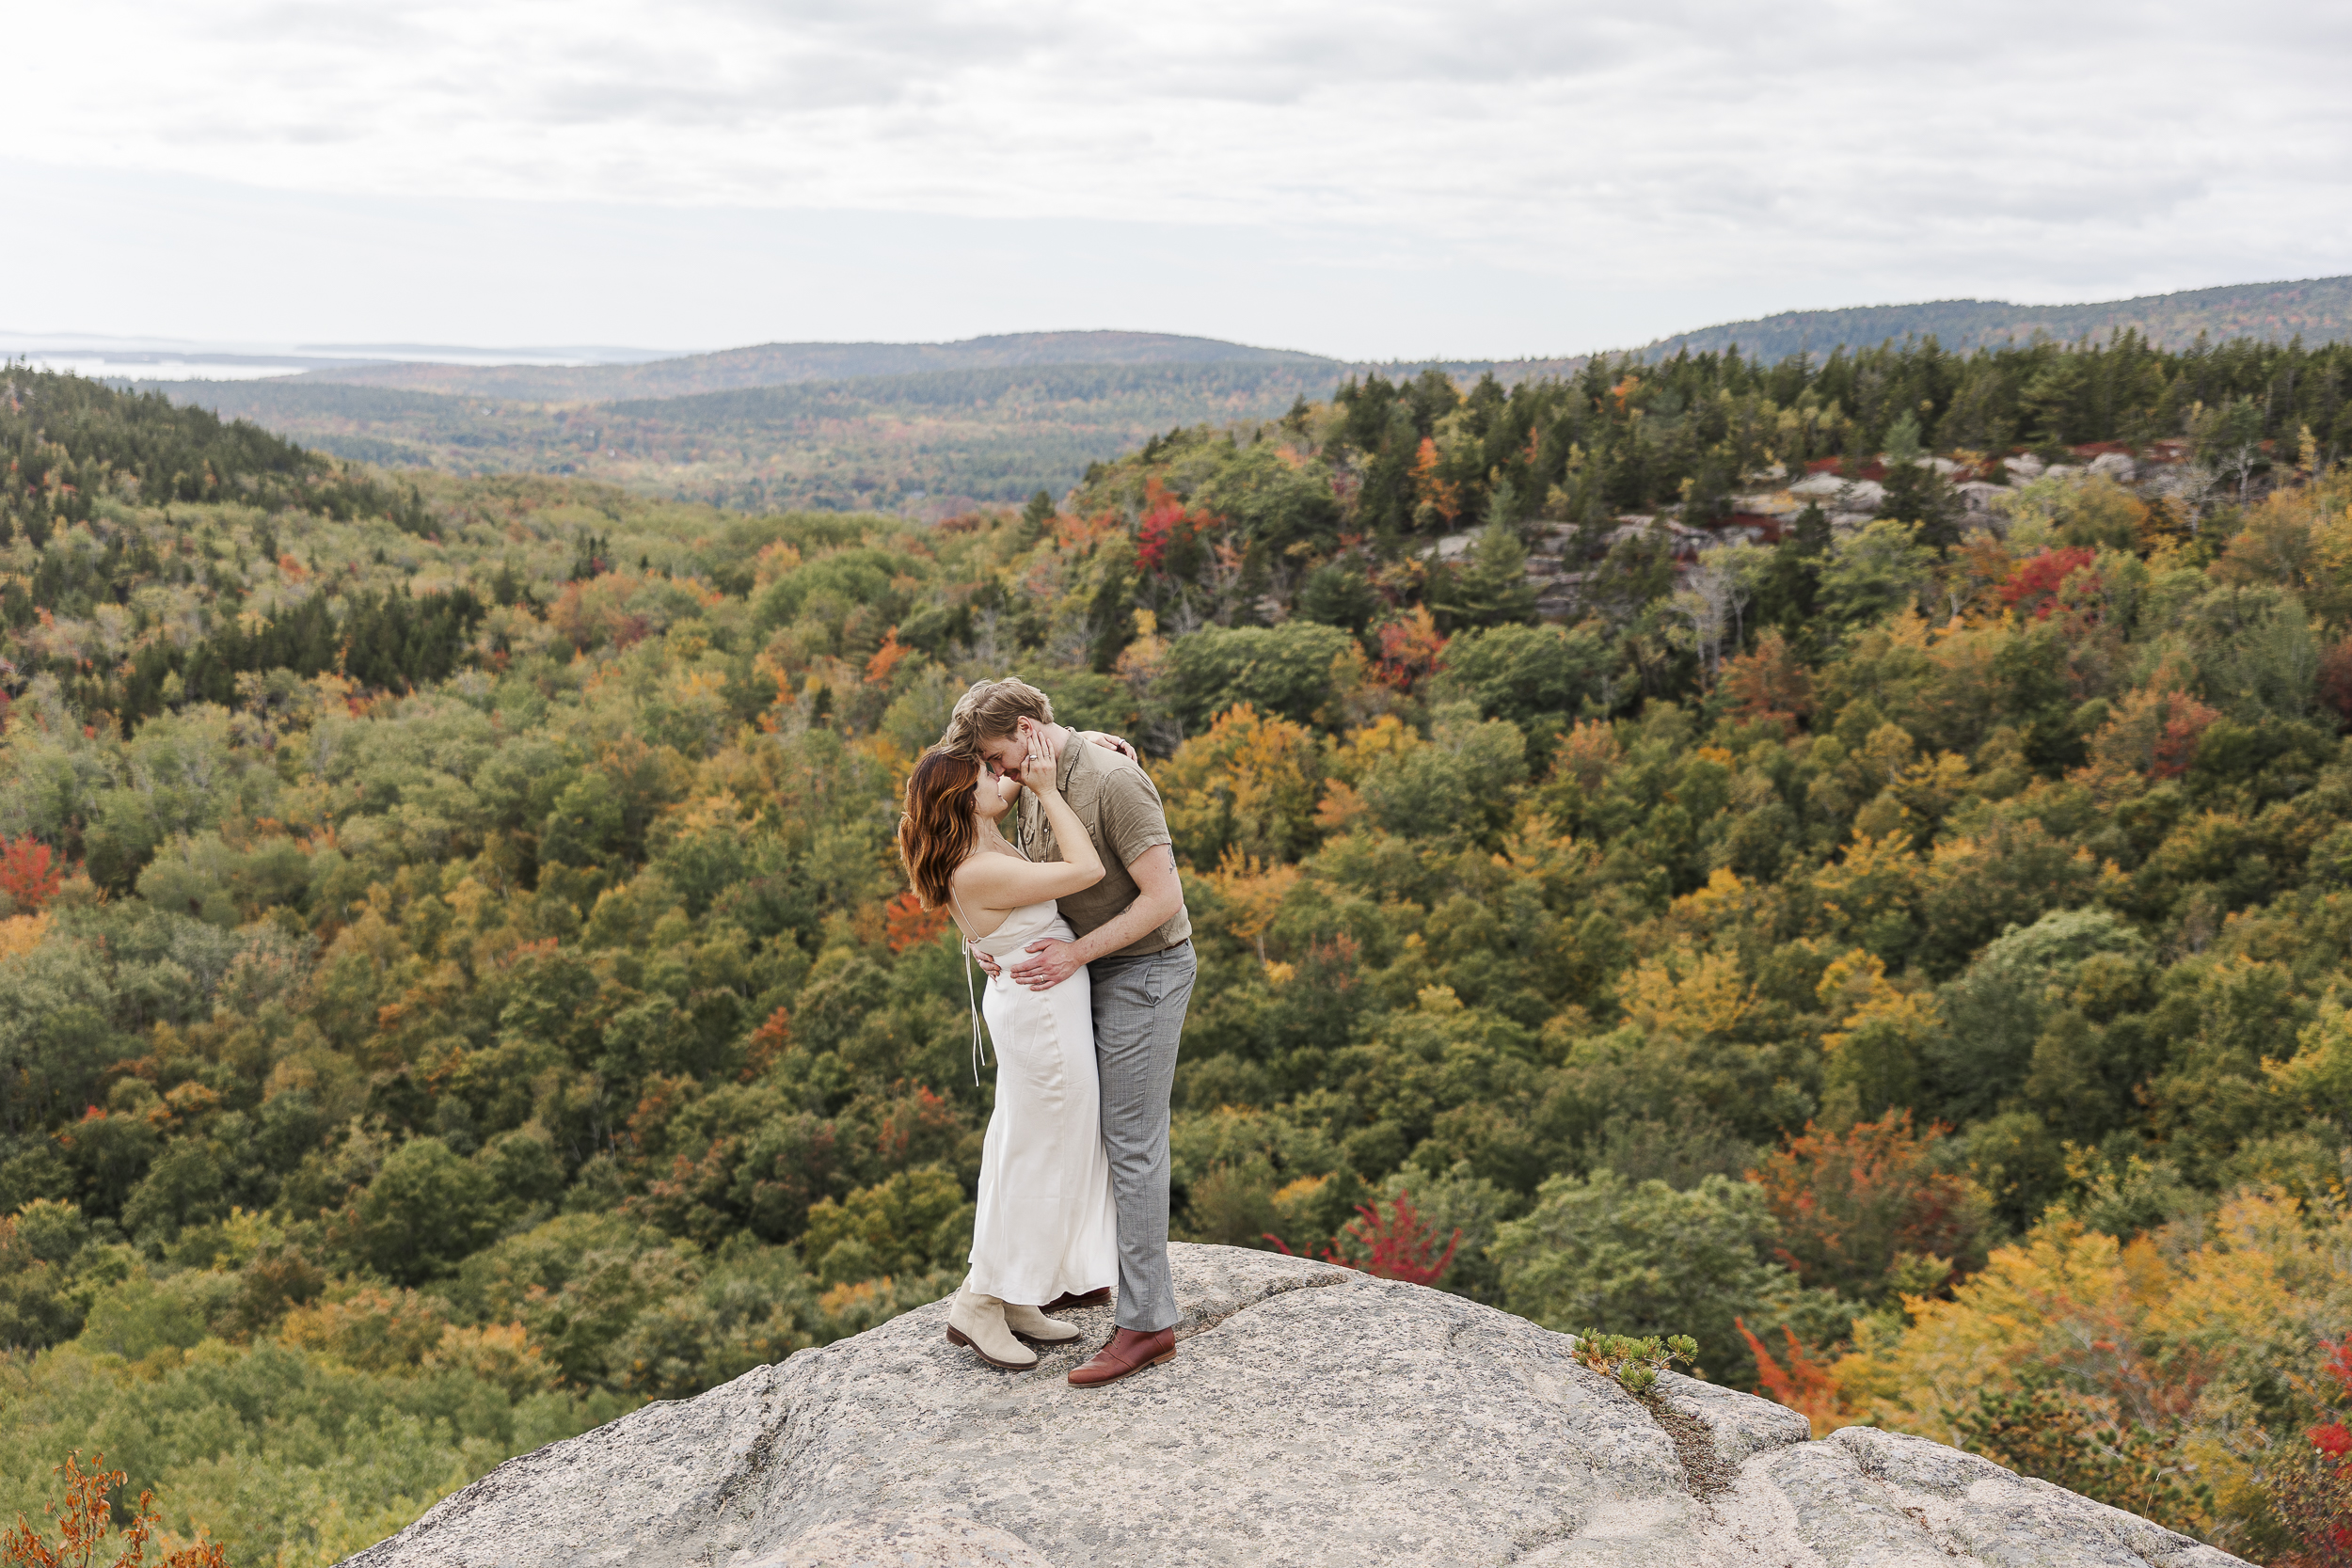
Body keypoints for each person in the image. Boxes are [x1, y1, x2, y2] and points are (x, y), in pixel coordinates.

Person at [942, 678, 1194, 1388]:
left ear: (1028, 729)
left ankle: (1147, 1323)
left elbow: (1166, 899)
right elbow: (950, 821)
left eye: (998, 756)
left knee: (1131, 1140)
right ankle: (1051, 1279)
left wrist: (1073, 953)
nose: (998, 772)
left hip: (1143, 971)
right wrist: (983, 936)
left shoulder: (1114, 779)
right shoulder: (1031, 773)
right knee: (1062, 1130)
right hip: (1078, 976)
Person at [897, 741, 1119, 1372]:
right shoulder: (977, 865)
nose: (1004, 779)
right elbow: (1086, 869)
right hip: (1041, 1020)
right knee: (1036, 1152)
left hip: (1040, 1007)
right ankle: (979, 1301)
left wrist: (1084, 744)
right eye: (986, 776)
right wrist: (1049, 791)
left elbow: (1020, 765)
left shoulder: (980, 829)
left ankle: (1016, 1290)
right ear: (965, 798)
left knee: (1038, 1145)